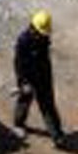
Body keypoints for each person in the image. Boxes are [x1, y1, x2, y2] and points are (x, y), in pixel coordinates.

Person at [13, 10, 67, 146]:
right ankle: (18, 124)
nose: (43, 35)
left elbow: (44, 57)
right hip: (28, 76)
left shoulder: (43, 38)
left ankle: (57, 135)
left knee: (48, 105)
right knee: (24, 100)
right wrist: (23, 82)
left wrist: (45, 77)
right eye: (40, 32)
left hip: (43, 75)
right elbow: (19, 64)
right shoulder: (23, 40)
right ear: (33, 27)